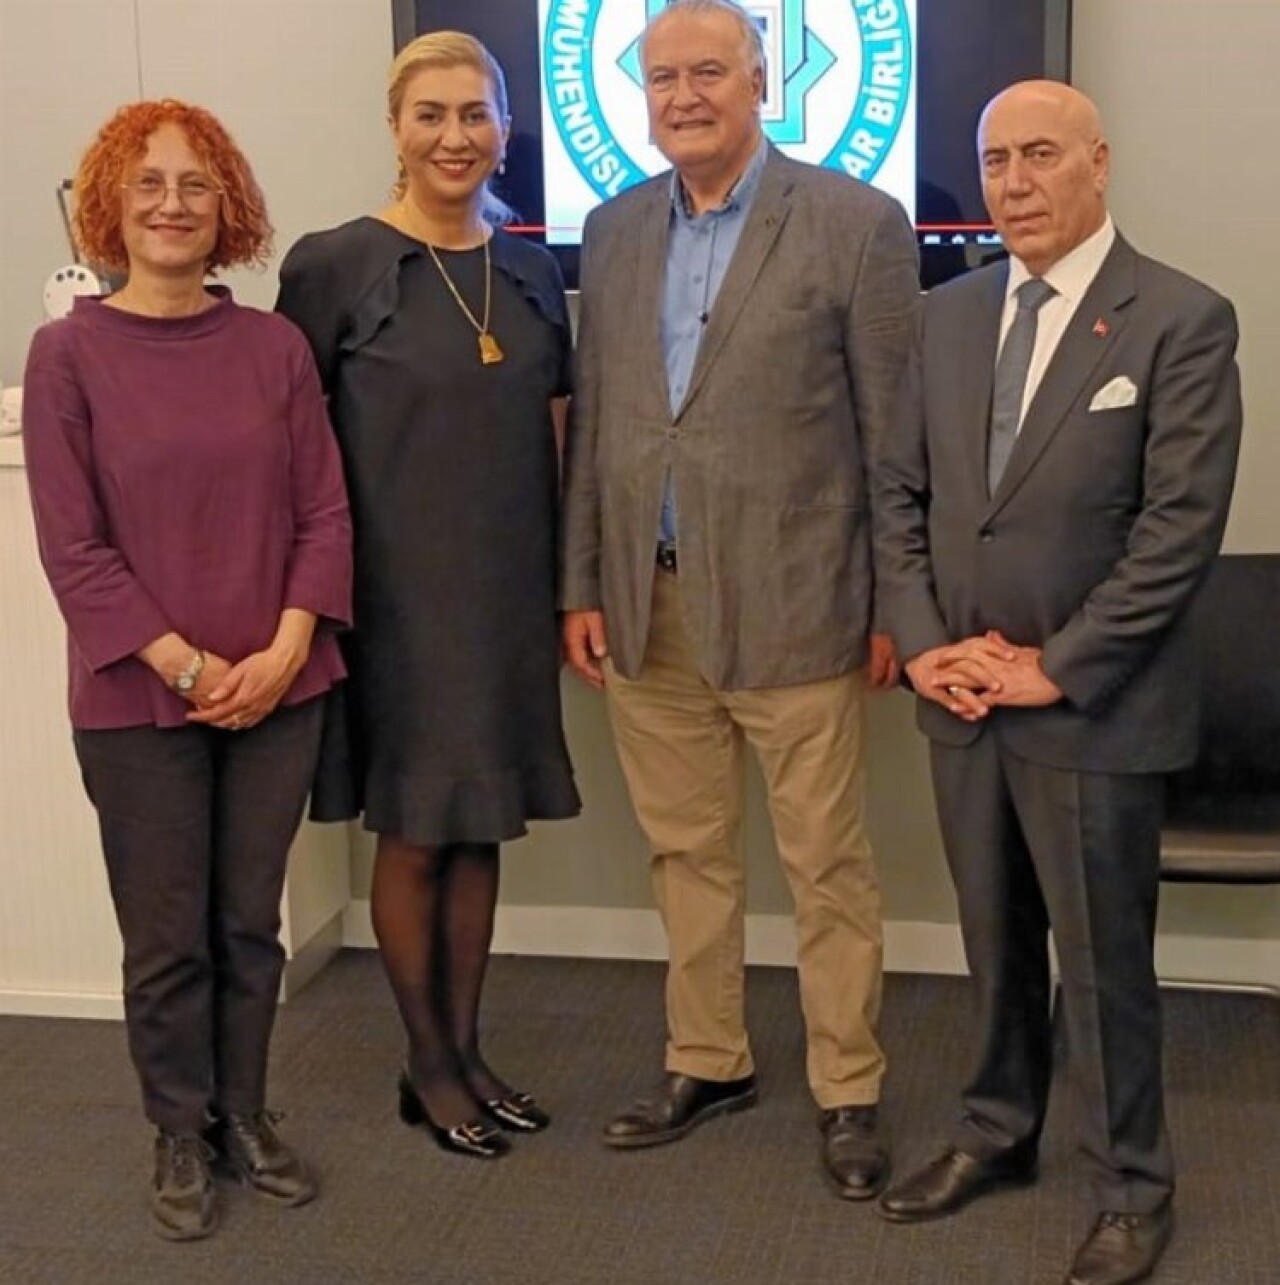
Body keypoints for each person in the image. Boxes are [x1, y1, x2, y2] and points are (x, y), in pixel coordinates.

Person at [873, 81, 1242, 1285]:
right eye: (994, 160)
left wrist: (1057, 666)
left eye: (1039, 154)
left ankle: (1131, 1186)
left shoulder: (1179, 318)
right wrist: (922, 644)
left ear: (1097, 162)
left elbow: (1176, 532)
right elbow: (899, 496)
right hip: (959, 694)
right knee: (993, 941)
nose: (1013, 182)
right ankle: (996, 1128)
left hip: (1092, 706)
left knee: (1099, 966)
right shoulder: (943, 315)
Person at [559, 0, 918, 1198]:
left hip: (798, 600)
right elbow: (596, 425)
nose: (683, 96)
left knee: (826, 865)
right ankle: (706, 1059)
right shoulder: (612, 231)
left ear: (761, 81)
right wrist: (580, 581)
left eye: (707, 72)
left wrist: (894, 604)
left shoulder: (855, 223)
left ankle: (847, 1087)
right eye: (661, 78)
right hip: (645, 604)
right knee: (685, 853)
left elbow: (891, 438)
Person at [22, 100, 353, 1241]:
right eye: (150, 183)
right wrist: (187, 666)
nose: (172, 204)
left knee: (248, 924)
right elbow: (73, 545)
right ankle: (177, 1126)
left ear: (229, 209)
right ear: (110, 203)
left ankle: (244, 1113)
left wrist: (287, 648)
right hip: (136, 699)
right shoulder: (67, 354)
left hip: (279, 687)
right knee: (166, 938)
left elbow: (323, 511)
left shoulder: (274, 348)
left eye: (196, 184)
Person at [275, 31, 580, 1162]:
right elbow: (290, 447)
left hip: (505, 596)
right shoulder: (334, 265)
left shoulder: (533, 272)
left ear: (504, 128)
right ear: (395, 129)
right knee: (413, 831)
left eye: (476, 114)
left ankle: (467, 1048)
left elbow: (559, 437)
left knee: (479, 825)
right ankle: (429, 1065)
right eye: (431, 115)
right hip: (395, 602)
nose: (456, 136)